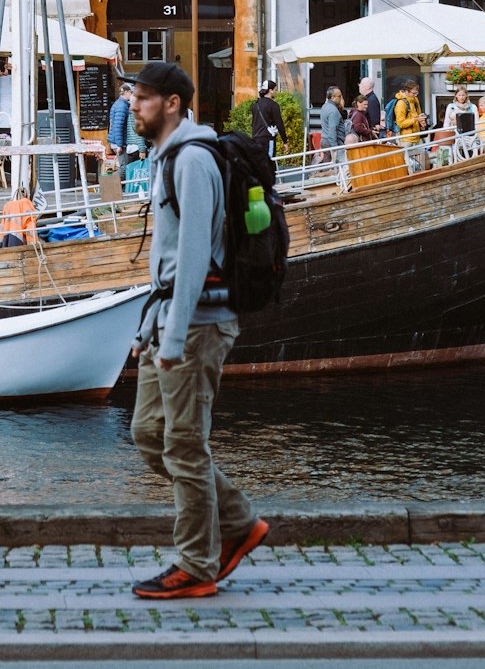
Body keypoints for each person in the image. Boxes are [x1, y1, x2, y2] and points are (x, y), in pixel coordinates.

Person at [127, 61, 268, 601]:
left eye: (142, 98)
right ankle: (238, 520)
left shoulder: (191, 162)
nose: (133, 106)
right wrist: (149, 331)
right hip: (167, 322)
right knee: (148, 435)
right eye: (133, 97)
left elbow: (190, 260)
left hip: (196, 325)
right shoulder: (168, 158)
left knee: (184, 445)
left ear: (173, 104)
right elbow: (166, 263)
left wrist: (174, 335)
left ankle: (196, 565)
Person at [251, 80, 286, 161]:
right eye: (275, 89)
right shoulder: (274, 105)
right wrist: (285, 141)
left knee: (258, 162)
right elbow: (279, 124)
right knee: (269, 162)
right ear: (270, 90)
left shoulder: (255, 105)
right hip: (268, 138)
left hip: (256, 138)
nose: (276, 92)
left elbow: (253, 123)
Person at [108, 83, 135, 173]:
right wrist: (120, 145)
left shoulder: (119, 104)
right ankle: (108, 185)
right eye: (132, 93)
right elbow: (117, 126)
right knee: (125, 169)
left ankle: (117, 186)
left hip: (117, 141)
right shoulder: (122, 106)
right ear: (126, 92)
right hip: (118, 142)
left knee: (125, 167)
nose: (132, 95)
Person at [319, 87, 346, 161]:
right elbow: (332, 129)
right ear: (333, 97)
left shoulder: (324, 106)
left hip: (324, 140)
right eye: (339, 96)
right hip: (333, 141)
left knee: (327, 166)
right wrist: (335, 147)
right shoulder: (333, 110)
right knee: (340, 165)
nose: (341, 98)